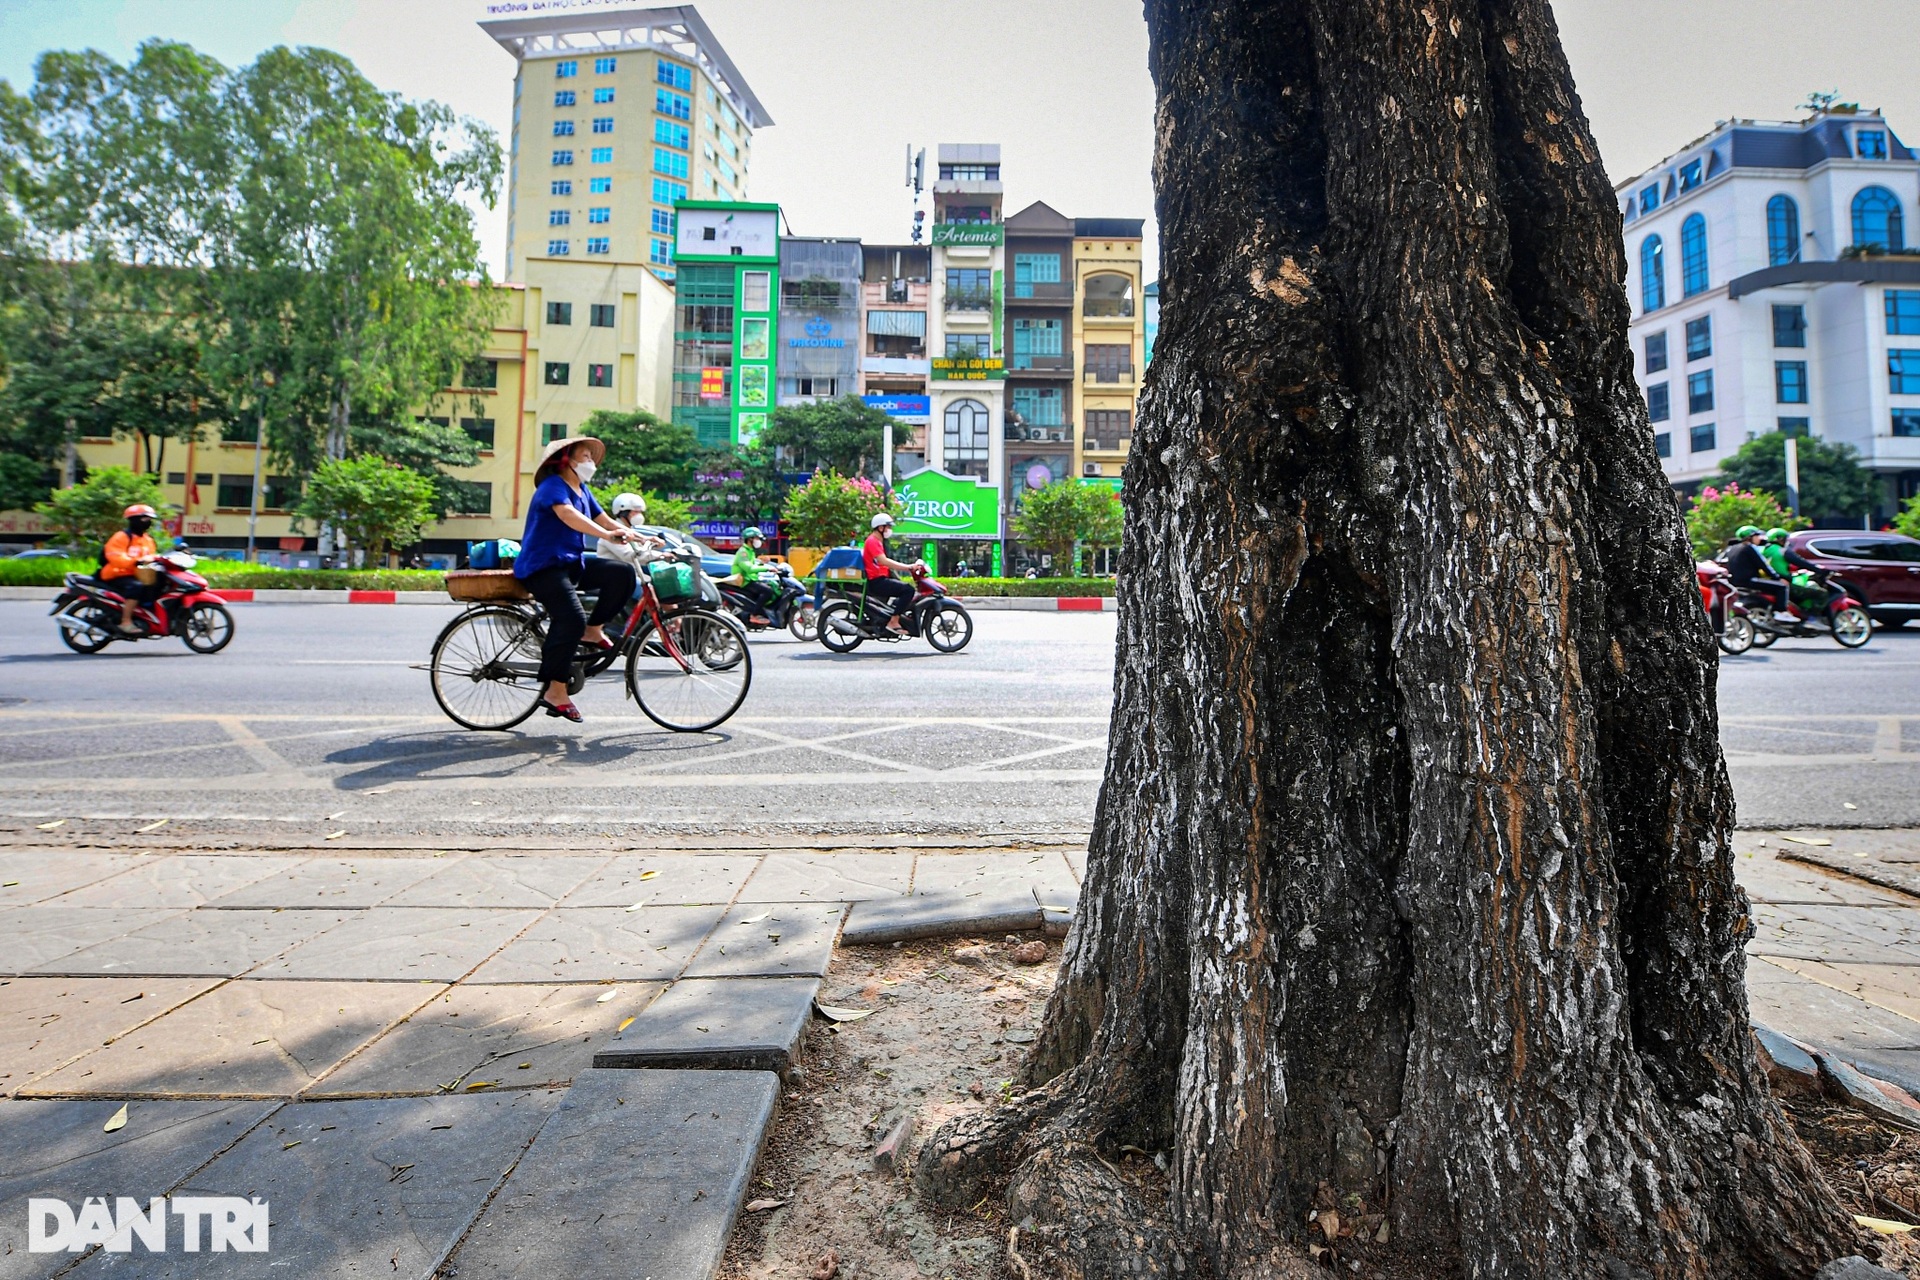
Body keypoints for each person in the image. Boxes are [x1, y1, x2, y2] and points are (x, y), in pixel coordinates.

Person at [513, 437, 638, 723]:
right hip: (542, 567)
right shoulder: (553, 486)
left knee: (622, 574)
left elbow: (604, 518)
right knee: (570, 618)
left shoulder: (582, 489)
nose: (590, 463)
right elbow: (568, 515)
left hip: (569, 563)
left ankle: (593, 630)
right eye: (585, 456)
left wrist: (641, 536)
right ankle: (555, 691)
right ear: (567, 460)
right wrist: (606, 536)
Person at [101, 504, 162, 635]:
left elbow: (151, 556)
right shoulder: (121, 537)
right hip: (117, 574)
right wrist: (136, 561)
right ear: (133, 520)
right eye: (144, 519)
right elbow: (115, 557)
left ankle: (147, 616)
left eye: (150, 519)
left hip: (137, 574)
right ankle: (126, 621)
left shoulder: (148, 540)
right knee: (136, 587)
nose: (148, 522)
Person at [862, 512, 921, 633]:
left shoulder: (877, 541)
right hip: (877, 581)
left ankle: (891, 617)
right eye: (888, 527)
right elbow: (884, 561)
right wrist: (908, 567)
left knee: (901, 589)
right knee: (908, 590)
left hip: (881, 579)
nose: (890, 530)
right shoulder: (873, 541)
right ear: (880, 527)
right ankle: (893, 621)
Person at [1763, 527, 1835, 618]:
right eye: (1785, 539)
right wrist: (1819, 570)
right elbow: (1802, 562)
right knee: (1821, 594)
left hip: (1768, 582)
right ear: (1780, 539)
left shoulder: (1763, 550)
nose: (1786, 541)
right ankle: (1811, 619)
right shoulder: (1782, 551)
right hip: (1783, 583)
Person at [1724, 524, 1790, 617]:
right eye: (1756, 536)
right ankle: (1781, 612)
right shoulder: (1749, 548)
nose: (1759, 538)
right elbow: (1763, 565)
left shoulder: (1732, 548)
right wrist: (1777, 578)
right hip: (1749, 580)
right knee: (1782, 587)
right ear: (1749, 537)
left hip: (1735, 582)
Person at [725, 526, 776, 625]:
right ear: (750, 539)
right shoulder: (743, 552)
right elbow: (749, 568)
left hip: (750, 579)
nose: (759, 541)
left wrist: (762, 564)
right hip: (744, 581)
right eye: (757, 538)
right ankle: (755, 615)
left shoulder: (750, 551)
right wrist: (767, 568)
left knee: (771, 585)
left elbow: (753, 565)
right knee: (768, 591)